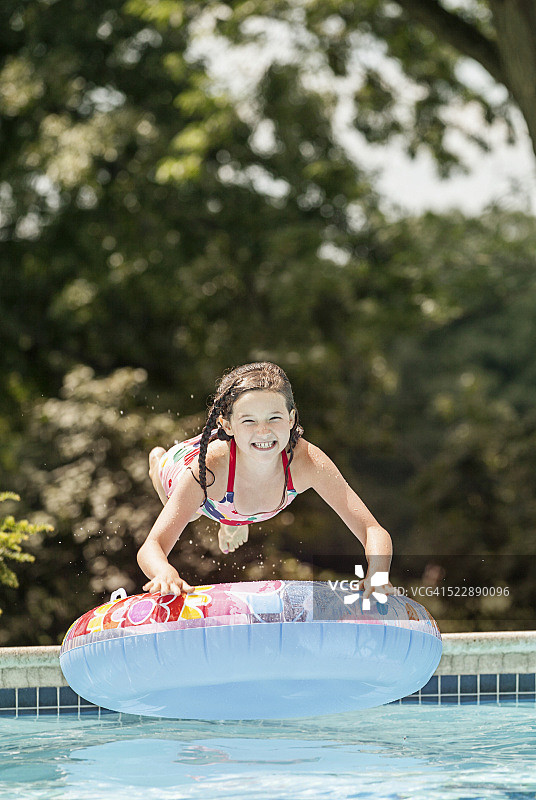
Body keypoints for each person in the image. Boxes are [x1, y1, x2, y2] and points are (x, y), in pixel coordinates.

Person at [138, 361, 395, 602]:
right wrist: (164, 572)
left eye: (274, 418)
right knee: (190, 514)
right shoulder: (208, 470)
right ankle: (157, 464)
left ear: (291, 419)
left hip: (238, 503)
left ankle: (234, 521)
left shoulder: (308, 462)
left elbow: (372, 530)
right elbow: (152, 546)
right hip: (184, 467)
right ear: (227, 425)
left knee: (231, 512)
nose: (264, 431)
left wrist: (378, 573)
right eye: (249, 420)